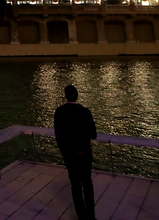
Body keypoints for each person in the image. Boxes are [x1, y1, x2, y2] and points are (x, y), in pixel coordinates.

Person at [54, 84, 97, 220]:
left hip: (70, 155)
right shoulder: (85, 112)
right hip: (84, 153)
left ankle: (81, 215)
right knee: (87, 183)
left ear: (65, 96)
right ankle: (91, 215)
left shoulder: (59, 112)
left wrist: (64, 153)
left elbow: (58, 136)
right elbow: (93, 134)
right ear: (77, 96)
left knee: (75, 185)